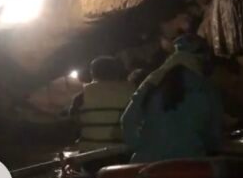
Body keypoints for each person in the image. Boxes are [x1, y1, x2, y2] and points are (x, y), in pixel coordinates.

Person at [121, 34, 223, 163]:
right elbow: (215, 133)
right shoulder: (207, 88)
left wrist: (141, 147)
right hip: (190, 165)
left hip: (147, 165)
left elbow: (128, 120)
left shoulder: (152, 82)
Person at [70, 56, 136, 148]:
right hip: (123, 151)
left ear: (92, 74)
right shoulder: (133, 92)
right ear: (117, 72)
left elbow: (74, 124)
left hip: (89, 152)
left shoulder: (81, 96)